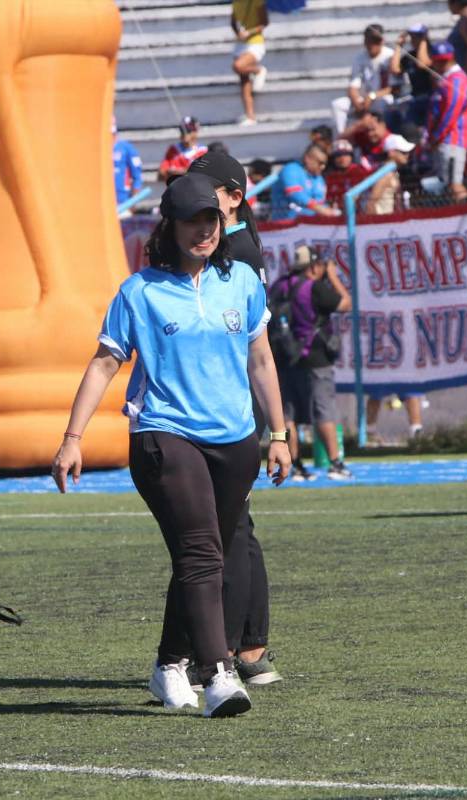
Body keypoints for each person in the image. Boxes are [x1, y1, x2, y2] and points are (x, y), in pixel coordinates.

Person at [51, 173, 290, 718]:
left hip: (236, 440)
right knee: (204, 552)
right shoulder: (140, 292)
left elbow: (261, 360)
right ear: (171, 226)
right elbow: (105, 363)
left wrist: (278, 434)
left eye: (211, 220)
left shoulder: (244, 283)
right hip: (164, 435)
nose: (203, 231)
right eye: (192, 222)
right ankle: (219, 676)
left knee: (208, 553)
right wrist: (72, 439)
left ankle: (168, 664)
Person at [186, 149, 282, 687]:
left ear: (233, 198)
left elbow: (255, 349)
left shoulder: (235, 251)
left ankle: (231, 649)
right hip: (233, 409)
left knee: (231, 529)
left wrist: (275, 430)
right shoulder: (241, 243)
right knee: (238, 529)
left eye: (208, 193)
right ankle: (248, 645)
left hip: (228, 411)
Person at [269, 246, 352, 480]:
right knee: (323, 410)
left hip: (284, 357)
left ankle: (295, 465)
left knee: (288, 415)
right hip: (314, 357)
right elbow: (345, 303)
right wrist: (334, 277)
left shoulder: (279, 286)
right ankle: (336, 463)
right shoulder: (314, 287)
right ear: (315, 266)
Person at [426, 41, 467, 202]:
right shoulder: (445, 80)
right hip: (443, 141)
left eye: (444, 61)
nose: (441, 64)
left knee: (455, 184)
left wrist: (436, 137)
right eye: (438, 61)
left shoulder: (458, 80)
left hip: (452, 141)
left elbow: (450, 113)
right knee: (448, 184)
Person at [342, 109, 414, 213]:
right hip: (381, 221)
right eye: (402, 152)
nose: (407, 155)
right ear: (391, 153)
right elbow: (371, 204)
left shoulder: (392, 172)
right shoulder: (385, 174)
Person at [331, 25, 395, 133]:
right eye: (369, 40)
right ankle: (343, 139)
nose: (372, 44)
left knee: (387, 102)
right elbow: (353, 85)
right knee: (338, 105)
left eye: (375, 41)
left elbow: (395, 87)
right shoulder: (359, 57)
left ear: (382, 41)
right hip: (363, 100)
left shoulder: (390, 55)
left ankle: (384, 135)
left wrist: (372, 96)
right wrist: (357, 103)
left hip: (380, 98)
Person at [270, 144, 339, 220]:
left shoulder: (318, 178)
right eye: (320, 163)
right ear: (308, 159)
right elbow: (295, 195)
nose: (323, 167)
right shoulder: (291, 169)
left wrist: (329, 209)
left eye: (325, 164)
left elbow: (319, 200)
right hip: (285, 224)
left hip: (309, 224)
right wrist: (320, 209)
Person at [231, 0, 268, 126]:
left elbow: (264, 22)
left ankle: (258, 70)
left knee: (238, 66)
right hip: (241, 44)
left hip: (255, 43)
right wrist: (238, 33)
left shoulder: (257, 2)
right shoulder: (236, 3)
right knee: (244, 82)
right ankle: (250, 115)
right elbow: (232, 22)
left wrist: (249, 32)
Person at [159, 116, 207, 182]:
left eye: (188, 130)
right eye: (182, 130)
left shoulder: (203, 152)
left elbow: (200, 175)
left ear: (196, 132)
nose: (184, 133)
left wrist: (176, 172)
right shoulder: (173, 150)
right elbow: (161, 174)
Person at [112, 119, 144, 212]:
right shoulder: (98, 149)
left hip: (123, 203)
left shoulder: (126, 148)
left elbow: (137, 177)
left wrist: (132, 203)